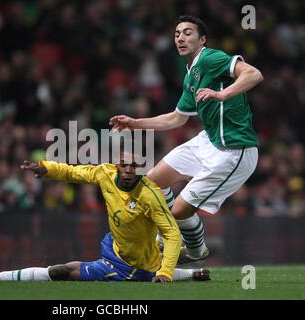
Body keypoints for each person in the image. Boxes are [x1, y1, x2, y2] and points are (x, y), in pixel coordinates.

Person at [109, 15, 263, 265]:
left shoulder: (211, 58)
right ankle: (173, 239)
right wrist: (136, 123)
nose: (180, 37)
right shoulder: (191, 75)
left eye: (188, 32)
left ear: (202, 40)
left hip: (235, 150)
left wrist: (223, 94)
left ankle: (191, 249)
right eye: (177, 33)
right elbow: (176, 119)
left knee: (179, 211)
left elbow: (254, 74)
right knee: (151, 183)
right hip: (208, 141)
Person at [0, 146, 210, 282]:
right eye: (124, 164)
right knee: (61, 270)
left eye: (134, 165)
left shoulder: (150, 194)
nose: (129, 170)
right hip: (117, 246)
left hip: (130, 267)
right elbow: (74, 172)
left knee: (62, 273)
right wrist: (47, 168)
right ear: (116, 165)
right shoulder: (105, 174)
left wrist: (165, 274)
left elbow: (173, 234)